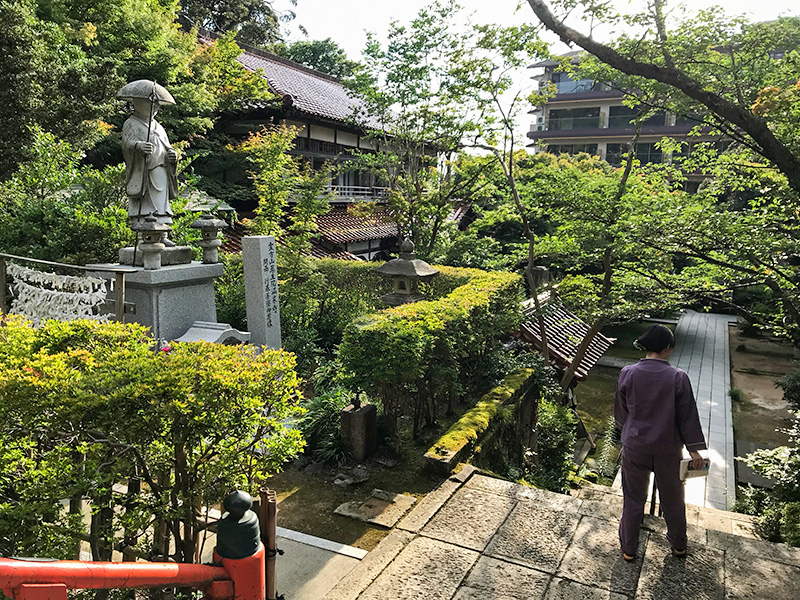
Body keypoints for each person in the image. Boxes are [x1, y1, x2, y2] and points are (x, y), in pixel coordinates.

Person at [614, 324, 706, 561]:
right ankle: (678, 546)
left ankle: (629, 548)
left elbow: (622, 413)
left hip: (635, 447)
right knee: (673, 500)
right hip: (668, 450)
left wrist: (629, 431)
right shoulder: (678, 377)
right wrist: (695, 450)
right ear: (667, 348)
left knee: (633, 499)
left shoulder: (628, 373)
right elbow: (687, 416)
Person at [120, 95, 178, 240]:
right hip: (143, 171)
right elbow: (126, 144)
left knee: (161, 206)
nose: (156, 108)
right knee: (145, 207)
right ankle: (143, 237)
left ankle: (163, 236)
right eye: (152, 104)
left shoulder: (159, 126)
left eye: (157, 105)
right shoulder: (131, 123)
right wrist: (138, 146)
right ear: (139, 104)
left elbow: (167, 147)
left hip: (161, 169)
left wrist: (173, 156)